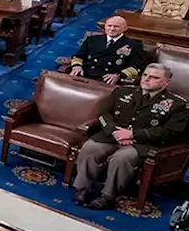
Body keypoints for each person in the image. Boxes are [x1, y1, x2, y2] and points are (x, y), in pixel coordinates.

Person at [73, 64, 187, 210]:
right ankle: (82, 189)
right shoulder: (122, 91)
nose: (147, 79)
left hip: (142, 143)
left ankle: (107, 196)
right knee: (90, 147)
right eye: (145, 75)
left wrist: (133, 135)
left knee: (122, 158)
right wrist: (114, 131)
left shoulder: (177, 105)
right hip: (113, 136)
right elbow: (103, 114)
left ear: (166, 82)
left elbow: (171, 132)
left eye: (154, 77)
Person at [70, 16, 145, 85]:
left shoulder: (134, 45)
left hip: (108, 80)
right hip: (85, 74)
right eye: (109, 26)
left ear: (125, 28)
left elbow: (136, 67)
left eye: (116, 26)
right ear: (105, 26)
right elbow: (78, 56)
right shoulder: (92, 39)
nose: (112, 29)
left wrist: (119, 75)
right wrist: (77, 66)